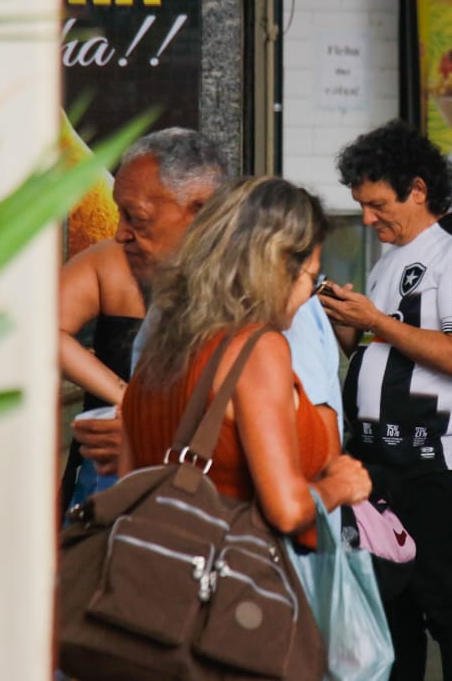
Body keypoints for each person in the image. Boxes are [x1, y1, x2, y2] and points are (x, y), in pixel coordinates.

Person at [320, 120, 452, 681]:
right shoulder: (391, 257)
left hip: (433, 461)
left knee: (450, 608)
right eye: (362, 206)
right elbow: (373, 347)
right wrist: (340, 315)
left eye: (377, 205)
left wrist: (374, 320)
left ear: (418, 190)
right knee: (391, 609)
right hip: (376, 460)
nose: (368, 220)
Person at [118, 176, 371, 546]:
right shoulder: (257, 349)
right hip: (236, 572)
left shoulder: (160, 340)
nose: (308, 294)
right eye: (311, 276)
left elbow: (128, 483)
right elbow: (287, 511)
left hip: (158, 566)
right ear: (279, 267)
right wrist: (341, 485)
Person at [57, 127, 227, 516]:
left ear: (199, 210)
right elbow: (42, 329)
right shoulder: (112, 260)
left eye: (137, 218)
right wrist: (124, 396)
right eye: (119, 212)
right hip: (108, 482)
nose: (121, 233)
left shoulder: (257, 285)